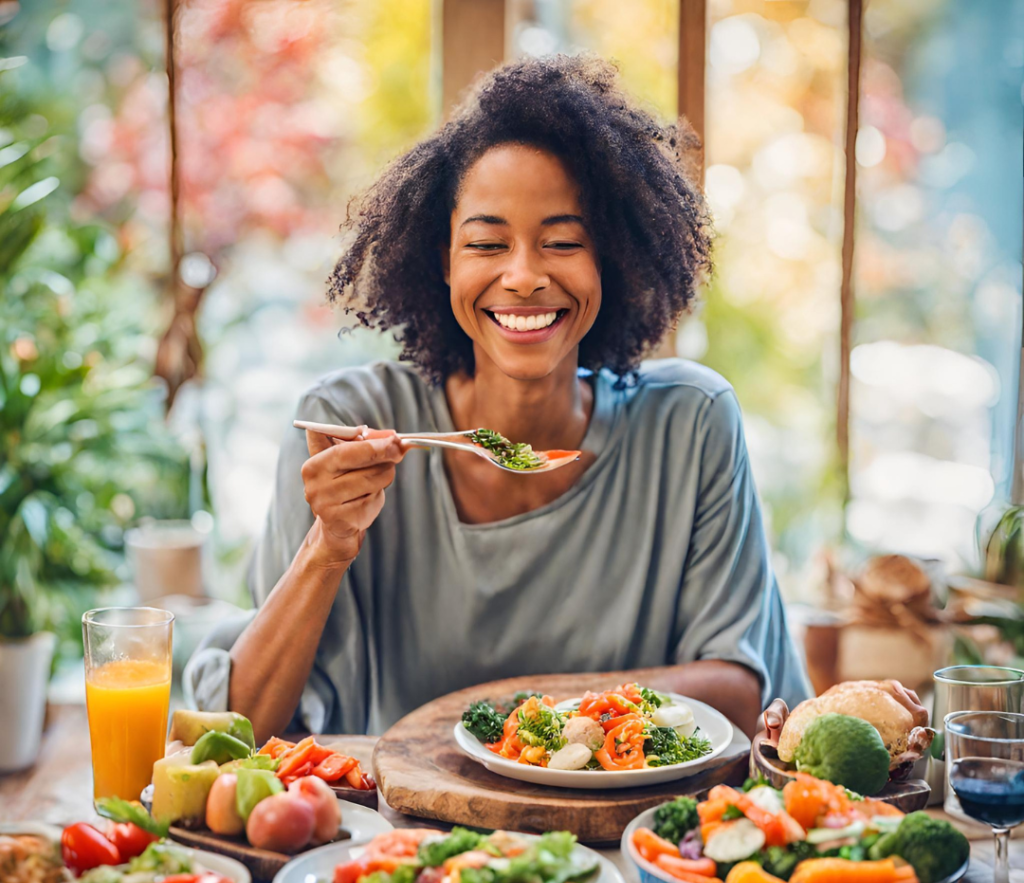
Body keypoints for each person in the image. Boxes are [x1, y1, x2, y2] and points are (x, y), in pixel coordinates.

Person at [191, 54, 811, 742]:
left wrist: (503, 717)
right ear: (443, 259)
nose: (523, 276)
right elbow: (239, 731)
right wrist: (329, 546)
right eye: (487, 242)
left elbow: (735, 690)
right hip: (400, 844)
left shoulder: (690, 426)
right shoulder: (345, 426)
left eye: (563, 242)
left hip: (629, 839)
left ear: (614, 258)